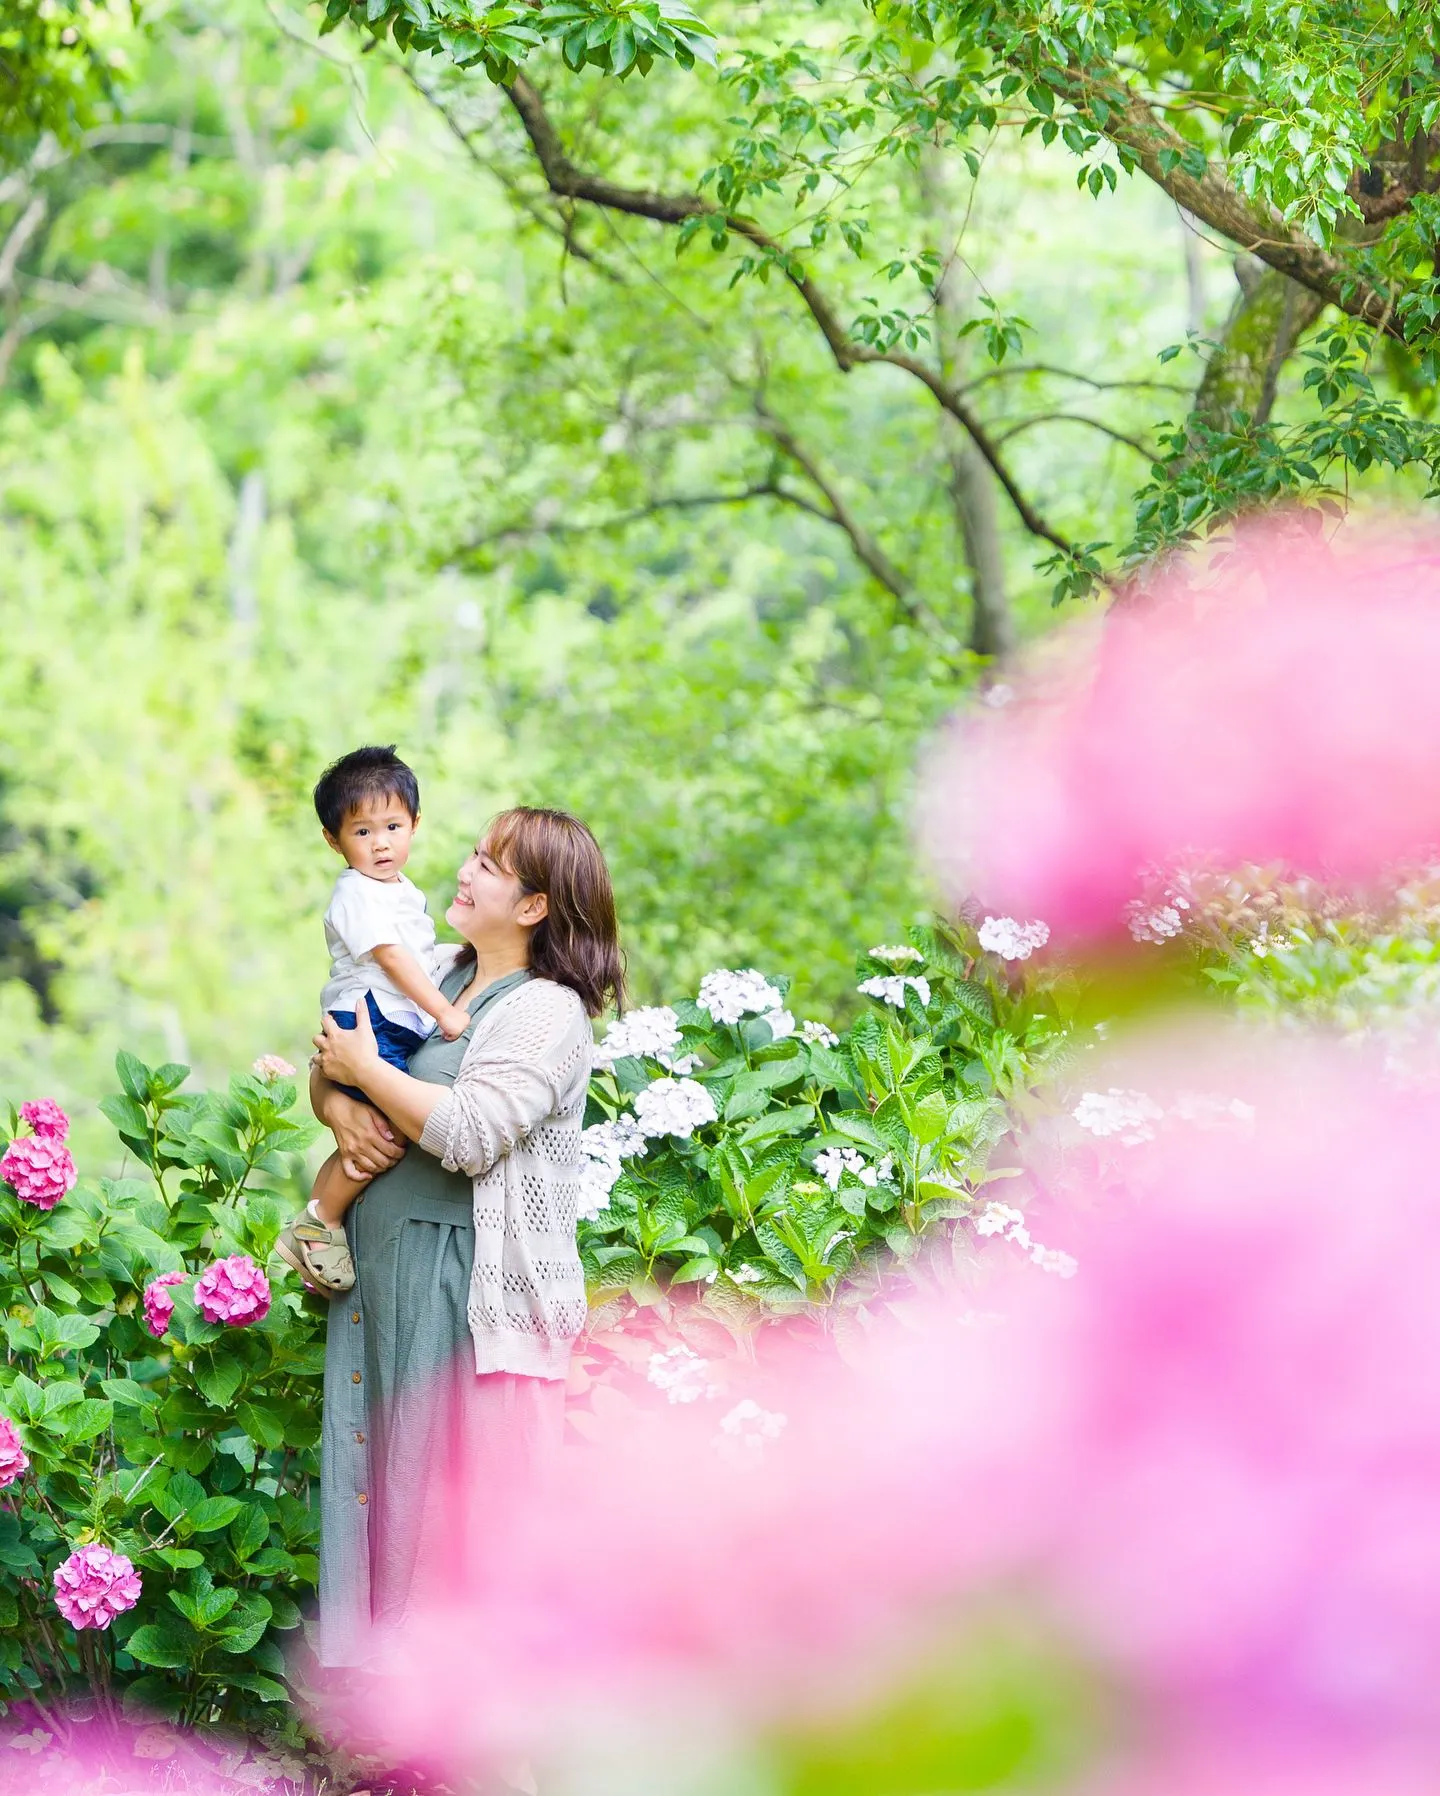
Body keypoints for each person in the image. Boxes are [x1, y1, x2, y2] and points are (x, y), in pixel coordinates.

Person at [307, 805, 623, 1668]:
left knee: (460, 1546)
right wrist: (339, 1108)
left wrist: (366, 1073)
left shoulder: (547, 1012)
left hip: (470, 1295)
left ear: (532, 907)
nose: (465, 869)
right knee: (392, 1518)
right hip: (388, 1279)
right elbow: (333, 1054)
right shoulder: (440, 975)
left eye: (488, 863)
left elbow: (474, 1131)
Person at [276, 746, 470, 1297]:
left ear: (415, 823)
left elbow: (423, 952)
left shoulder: (401, 891)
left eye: (392, 826)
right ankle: (322, 1222)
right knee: (379, 1136)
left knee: (373, 1133)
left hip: (387, 1020)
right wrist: (444, 1011)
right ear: (332, 840)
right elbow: (391, 956)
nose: (380, 843)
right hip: (368, 1021)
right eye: (362, 833)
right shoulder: (356, 893)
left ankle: (324, 1222)